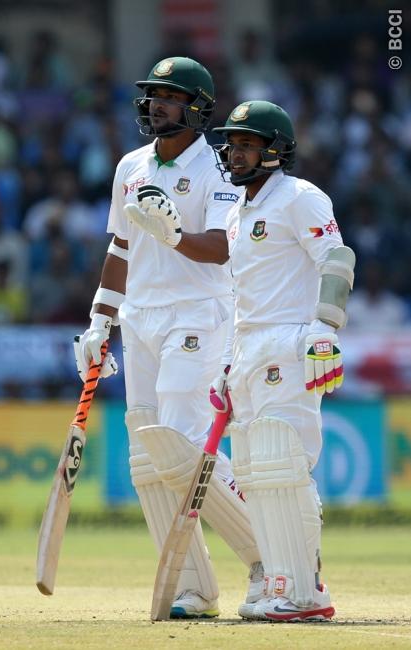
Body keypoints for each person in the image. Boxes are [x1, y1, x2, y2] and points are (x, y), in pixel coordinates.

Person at [74, 57, 262, 619]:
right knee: (145, 458)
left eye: (171, 97)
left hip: (197, 313)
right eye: (154, 95)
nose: (158, 105)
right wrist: (100, 320)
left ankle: (271, 558)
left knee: (179, 443)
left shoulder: (218, 168)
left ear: (197, 108)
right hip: (140, 318)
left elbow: (224, 247)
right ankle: (193, 588)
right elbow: (121, 247)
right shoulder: (130, 165)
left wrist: (175, 235)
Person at [210, 100, 356, 621]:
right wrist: (227, 361)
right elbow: (240, 295)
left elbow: (337, 258)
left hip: (292, 342)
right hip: (247, 347)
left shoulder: (300, 197)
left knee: (285, 464)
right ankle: (277, 580)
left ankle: (305, 591)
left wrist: (324, 329)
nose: (236, 153)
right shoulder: (235, 212)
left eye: (248, 144)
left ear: (276, 150)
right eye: (233, 144)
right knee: (253, 473)